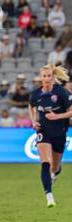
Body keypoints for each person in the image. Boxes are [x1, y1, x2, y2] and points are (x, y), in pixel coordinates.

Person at [28, 64, 71, 208]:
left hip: (59, 132)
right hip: (43, 131)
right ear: (41, 78)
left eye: (49, 76)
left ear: (53, 78)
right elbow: (31, 106)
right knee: (45, 163)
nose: (46, 79)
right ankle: (49, 196)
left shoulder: (62, 93)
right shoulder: (35, 94)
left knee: (54, 167)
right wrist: (34, 121)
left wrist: (57, 116)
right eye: (44, 76)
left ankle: (55, 172)